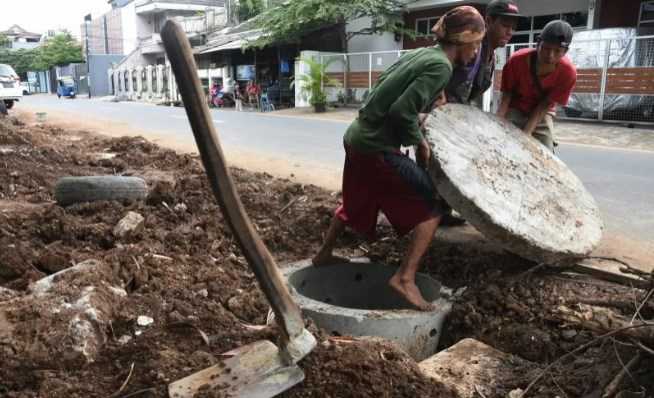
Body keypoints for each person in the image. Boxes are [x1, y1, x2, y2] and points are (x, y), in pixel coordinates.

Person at [312, 6, 486, 311]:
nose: (477, 51)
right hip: (377, 148)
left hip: (357, 137)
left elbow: (387, 99)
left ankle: (323, 254)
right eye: (477, 44)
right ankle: (405, 278)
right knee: (431, 208)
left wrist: (422, 115)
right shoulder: (441, 67)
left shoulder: (421, 54)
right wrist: (420, 143)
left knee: (357, 200)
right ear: (464, 41)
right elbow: (401, 112)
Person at [436, 0, 522, 226]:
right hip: (438, 115)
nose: (510, 32)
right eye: (505, 25)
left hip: (457, 116)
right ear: (489, 21)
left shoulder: (489, 54)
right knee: (435, 166)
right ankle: (430, 215)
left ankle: (441, 211)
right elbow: (438, 69)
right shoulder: (471, 47)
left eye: (513, 27)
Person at [497, 20, 577, 151]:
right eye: (546, 48)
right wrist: (498, 122)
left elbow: (544, 105)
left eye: (557, 51)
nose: (550, 56)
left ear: (565, 51)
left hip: (542, 112)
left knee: (546, 148)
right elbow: (506, 96)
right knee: (503, 141)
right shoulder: (516, 60)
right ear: (538, 44)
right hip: (515, 107)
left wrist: (527, 133)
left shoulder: (568, 73)